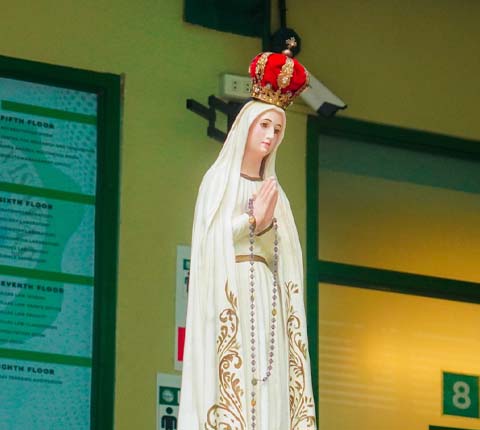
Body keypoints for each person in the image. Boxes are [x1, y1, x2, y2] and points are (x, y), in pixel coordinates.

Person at [178, 41, 317, 430]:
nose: (271, 136)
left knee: (269, 381)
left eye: (278, 129)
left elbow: (285, 257)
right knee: (236, 380)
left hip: (267, 299)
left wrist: (268, 227)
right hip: (232, 291)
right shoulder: (218, 181)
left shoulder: (276, 193)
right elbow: (210, 244)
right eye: (265, 125)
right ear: (247, 125)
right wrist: (251, 222)